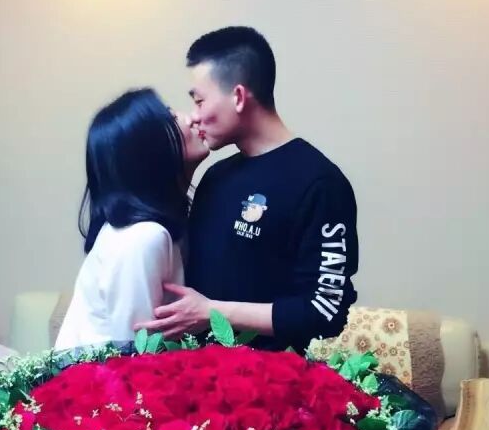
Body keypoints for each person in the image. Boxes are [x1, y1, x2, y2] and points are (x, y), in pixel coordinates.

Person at [135, 27, 358, 352]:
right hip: (194, 370)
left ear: (238, 97)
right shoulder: (215, 177)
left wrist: (212, 313)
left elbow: (325, 311)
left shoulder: (320, 184)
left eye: (199, 101)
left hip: (272, 376)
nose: (194, 116)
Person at [54, 88, 209, 350]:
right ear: (149, 150)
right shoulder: (142, 237)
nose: (192, 118)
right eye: (172, 118)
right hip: (102, 376)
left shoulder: (155, 229)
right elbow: (136, 357)